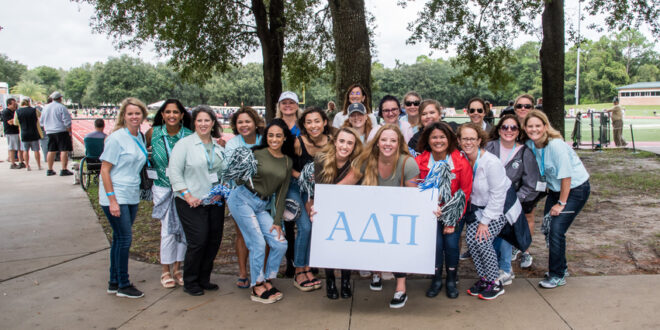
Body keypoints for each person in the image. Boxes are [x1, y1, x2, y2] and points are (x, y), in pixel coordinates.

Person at [342, 124, 421, 308]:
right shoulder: (365, 160)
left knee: (399, 242)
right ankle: (376, 272)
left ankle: (401, 287)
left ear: (399, 143)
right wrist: (323, 202)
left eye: (393, 140)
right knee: (371, 236)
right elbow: (343, 186)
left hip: (397, 213)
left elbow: (414, 196)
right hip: (371, 214)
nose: (388, 144)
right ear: (377, 142)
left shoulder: (407, 163)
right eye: (384, 139)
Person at [226, 119, 293, 304]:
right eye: (270, 135)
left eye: (278, 135)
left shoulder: (287, 161)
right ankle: (257, 286)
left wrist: (277, 221)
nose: (274, 138)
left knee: (280, 244)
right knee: (257, 242)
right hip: (242, 199)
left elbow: (281, 194)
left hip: (262, 205)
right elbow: (238, 179)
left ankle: (267, 279)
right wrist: (238, 170)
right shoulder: (255, 153)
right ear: (266, 137)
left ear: (285, 138)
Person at [522, 110, 590, 289]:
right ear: (525, 128)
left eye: (538, 125)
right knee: (550, 228)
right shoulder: (530, 145)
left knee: (556, 230)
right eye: (530, 126)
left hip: (575, 189)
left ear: (545, 126)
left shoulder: (556, 146)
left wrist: (561, 203)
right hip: (554, 189)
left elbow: (566, 177)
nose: (534, 129)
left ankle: (557, 275)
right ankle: (562, 267)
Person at [168, 106, 226, 296]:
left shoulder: (218, 147)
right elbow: (174, 173)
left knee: (213, 241)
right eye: (199, 120)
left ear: (212, 123)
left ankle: (204, 279)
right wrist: (187, 195)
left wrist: (221, 191)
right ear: (194, 123)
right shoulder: (184, 145)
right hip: (191, 202)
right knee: (198, 240)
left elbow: (222, 173)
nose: (203, 124)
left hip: (214, 202)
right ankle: (190, 280)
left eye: (207, 120)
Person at [98, 97, 149, 298]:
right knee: (125, 239)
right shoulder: (116, 138)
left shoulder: (140, 136)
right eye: (130, 114)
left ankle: (114, 281)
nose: (134, 117)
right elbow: (105, 170)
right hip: (116, 194)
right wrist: (112, 200)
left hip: (131, 194)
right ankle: (124, 284)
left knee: (119, 239)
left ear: (143, 115)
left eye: (137, 113)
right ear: (124, 116)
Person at [415, 122, 472, 299]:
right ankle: (437, 279)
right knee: (436, 245)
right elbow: (416, 190)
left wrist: (451, 219)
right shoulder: (419, 161)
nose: (438, 140)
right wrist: (430, 207)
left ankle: (451, 279)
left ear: (449, 139)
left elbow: (465, 192)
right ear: (428, 140)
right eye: (434, 137)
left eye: (442, 137)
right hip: (430, 213)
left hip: (455, 212)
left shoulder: (460, 162)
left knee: (451, 244)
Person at [308, 127, 363, 299]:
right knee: (329, 243)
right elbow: (320, 189)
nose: (345, 146)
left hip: (350, 206)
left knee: (346, 244)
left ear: (354, 146)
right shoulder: (321, 158)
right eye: (342, 141)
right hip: (327, 205)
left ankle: (346, 280)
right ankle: (330, 280)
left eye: (350, 143)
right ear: (335, 141)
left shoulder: (358, 163)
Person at [486, 115, 541, 284]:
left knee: (505, 236)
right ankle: (491, 270)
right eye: (505, 127)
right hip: (487, 201)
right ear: (499, 129)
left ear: (518, 131)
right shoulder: (489, 147)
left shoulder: (524, 152)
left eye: (513, 128)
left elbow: (532, 183)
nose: (509, 131)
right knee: (488, 237)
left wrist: (514, 200)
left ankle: (506, 270)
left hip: (510, 204)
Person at [459, 123, 510, 300]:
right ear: (459, 140)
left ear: (479, 140)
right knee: (472, 244)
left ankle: (495, 282)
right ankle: (484, 279)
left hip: (496, 211)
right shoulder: (462, 159)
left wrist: (485, 222)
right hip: (476, 209)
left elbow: (498, 195)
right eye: (465, 138)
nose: (468, 142)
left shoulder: (491, 163)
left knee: (482, 241)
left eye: (472, 138)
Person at [145, 99, 193, 289]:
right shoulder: (153, 133)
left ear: (182, 115)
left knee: (182, 227)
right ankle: (165, 270)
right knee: (167, 229)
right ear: (162, 115)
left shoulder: (189, 136)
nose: (172, 115)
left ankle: (178, 268)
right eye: (168, 112)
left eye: (175, 112)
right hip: (162, 187)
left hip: (184, 188)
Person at [289, 107, 332, 292]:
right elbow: (286, 166)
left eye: (317, 121)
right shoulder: (298, 142)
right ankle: (299, 271)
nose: (313, 125)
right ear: (304, 125)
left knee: (315, 228)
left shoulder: (332, 142)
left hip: (317, 191)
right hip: (296, 187)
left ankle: (308, 268)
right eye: (308, 122)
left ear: (324, 122)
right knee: (305, 227)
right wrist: (304, 178)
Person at [224, 106, 265, 289]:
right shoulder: (233, 143)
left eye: (247, 121)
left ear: (255, 123)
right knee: (242, 234)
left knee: (263, 234)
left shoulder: (264, 140)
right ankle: (242, 272)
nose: (244, 125)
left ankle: (261, 272)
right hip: (240, 195)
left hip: (264, 194)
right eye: (240, 122)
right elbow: (231, 170)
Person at [40, 91, 73, 176]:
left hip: (50, 131)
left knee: (51, 150)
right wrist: (69, 130)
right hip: (61, 131)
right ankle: (64, 169)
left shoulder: (45, 108)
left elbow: (41, 121)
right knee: (63, 150)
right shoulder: (61, 107)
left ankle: (50, 169)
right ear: (60, 98)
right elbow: (67, 121)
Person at [14, 99, 44, 171]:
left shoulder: (17, 111)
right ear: (29, 103)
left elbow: (15, 122)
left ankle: (27, 166)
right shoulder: (34, 110)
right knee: (36, 150)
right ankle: (39, 165)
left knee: (25, 150)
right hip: (34, 132)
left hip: (24, 133)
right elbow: (40, 115)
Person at [2, 98, 24, 169]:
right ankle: (13, 163)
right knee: (12, 148)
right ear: (9, 104)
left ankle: (21, 162)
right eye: (13, 104)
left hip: (17, 131)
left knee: (20, 148)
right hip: (10, 132)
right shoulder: (6, 112)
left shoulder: (15, 111)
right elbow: (10, 122)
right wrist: (16, 120)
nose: (15, 106)